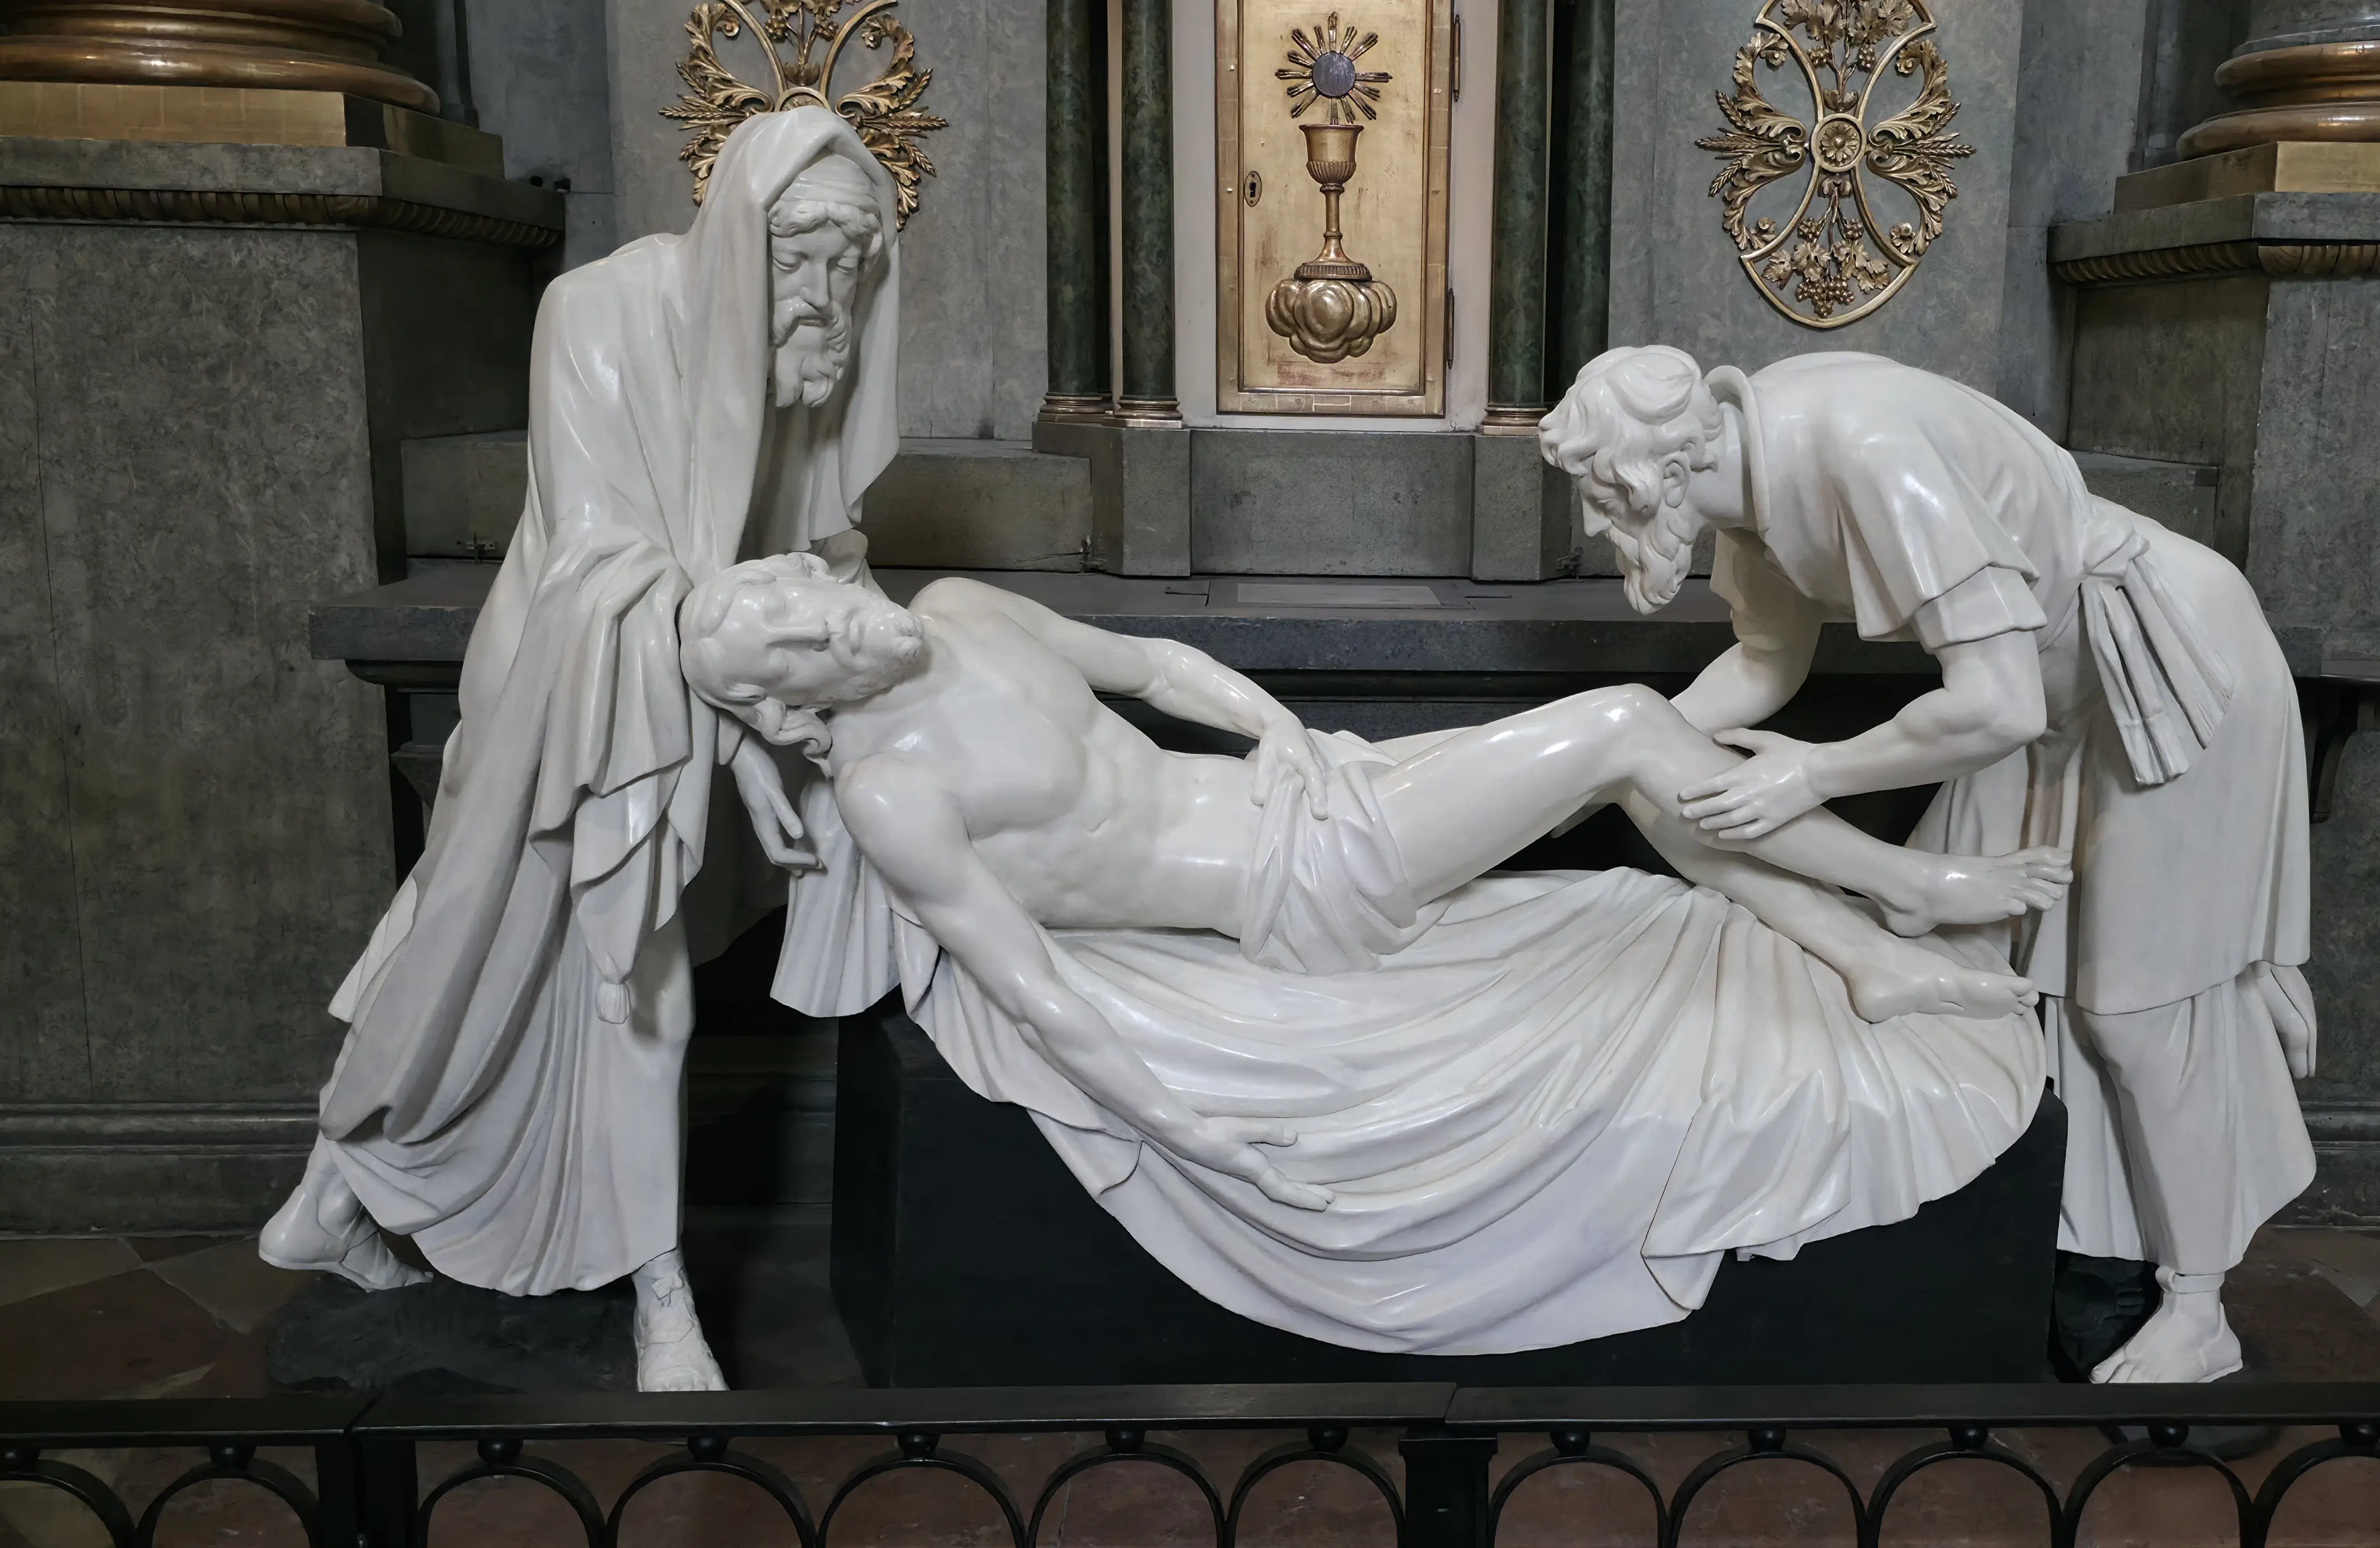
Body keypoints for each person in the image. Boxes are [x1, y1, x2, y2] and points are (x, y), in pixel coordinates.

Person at [671, 554, 2061, 1352]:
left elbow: (1152, 666)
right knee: (1628, 727)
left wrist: (1272, 727)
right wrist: (1194, 1133)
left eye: (818, 591)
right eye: (812, 643)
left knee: (1633, 767)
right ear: (793, 706)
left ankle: (1864, 949)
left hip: (1313, 791)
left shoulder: (961, 609)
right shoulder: (890, 797)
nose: (847, 616)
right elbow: (1033, 991)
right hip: (1297, 883)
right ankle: (1909, 888)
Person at [256, 109, 903, 1391]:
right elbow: (607, 567)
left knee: (459, 938)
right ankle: (662, 1301)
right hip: (577, 701)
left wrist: (806, 696)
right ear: (736, 231)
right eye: (801, 254)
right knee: (598, 977)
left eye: (854, 260)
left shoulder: (799, 358)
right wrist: (742, 737)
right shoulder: (594, 312)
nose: (826, 293)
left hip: (689, 700)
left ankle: (324, 1204)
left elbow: (796, 553)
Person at [1540, 347, 2316, 1384]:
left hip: (2165, 661)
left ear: (1663, 471)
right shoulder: (1746, 491)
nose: (1596, 525)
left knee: (2136, 1008)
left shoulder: (1860, 450)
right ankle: (2082, 1239)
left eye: (1600, 495)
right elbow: (1768, 664)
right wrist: (1615, 759)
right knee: (1969, 951)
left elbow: (1996, 704)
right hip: (2037, 690)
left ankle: (2197, 1306)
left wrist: (1814, 774)